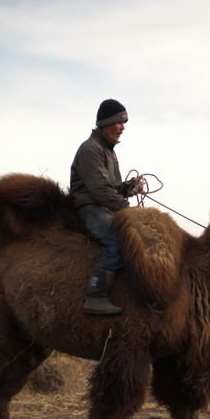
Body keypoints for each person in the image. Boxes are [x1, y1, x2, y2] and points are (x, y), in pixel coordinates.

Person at [70, 98, 140, 315]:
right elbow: (100, 191)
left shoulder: (108, 150)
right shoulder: (91, 149)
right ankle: (95, 295)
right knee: (119, 240)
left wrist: (127, 188)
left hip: (103, 206)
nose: (123, 127)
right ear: (106, 123)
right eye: (119, 122)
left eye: (124, 122)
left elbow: (110, 187)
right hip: (90, 208)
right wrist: (126, 208)